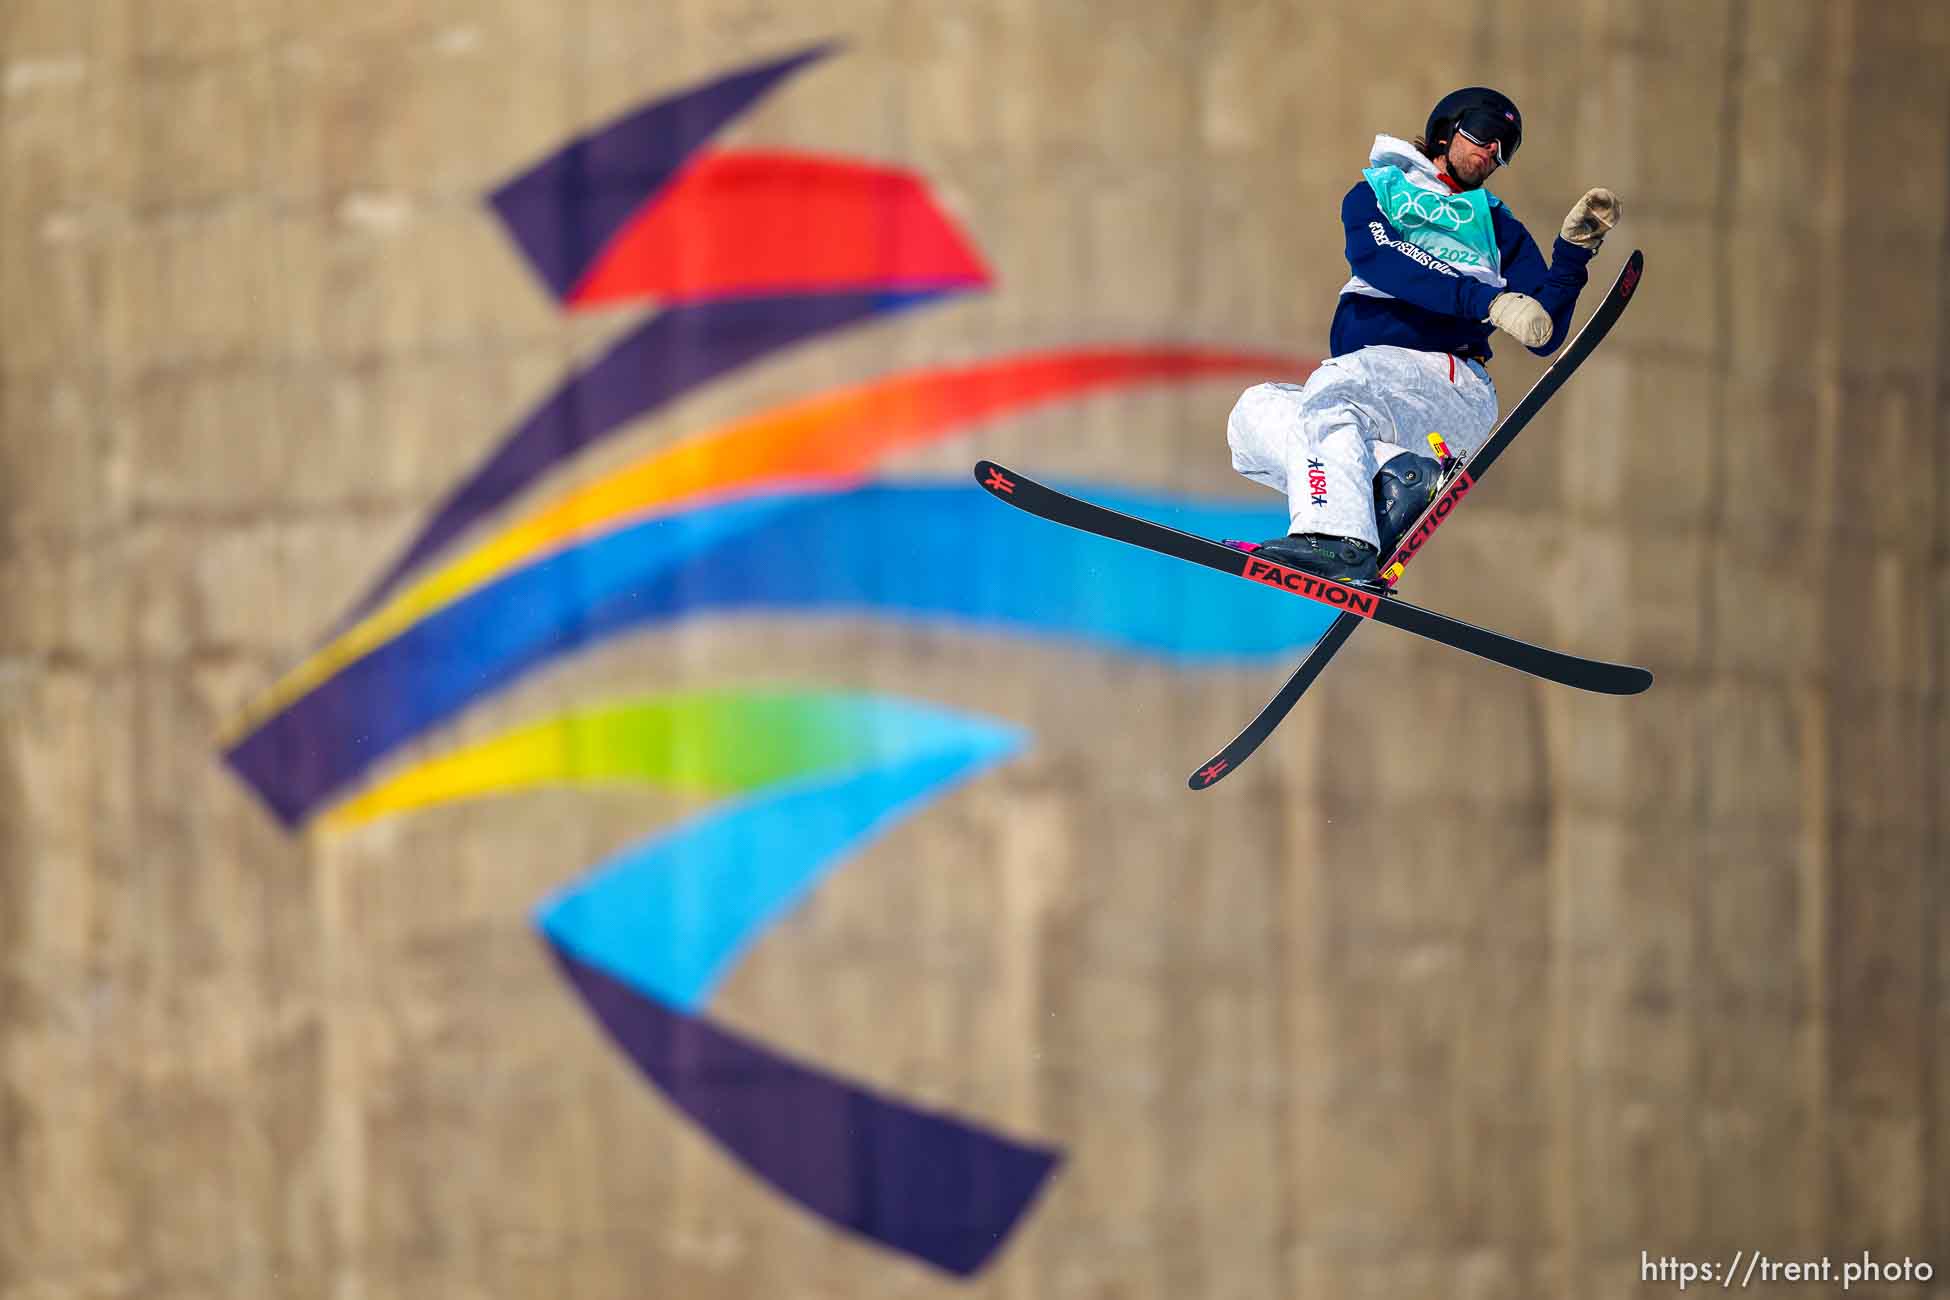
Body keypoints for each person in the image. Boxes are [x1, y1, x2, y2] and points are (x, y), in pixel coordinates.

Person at [1226, 87, 1620, 585]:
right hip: (1379, 387)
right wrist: (1485, 300)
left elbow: (1543, 331)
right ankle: (1397, 479)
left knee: (1333, 393)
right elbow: (1383, 258)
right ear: (1445, 130)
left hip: (1446, 383)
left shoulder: (1497, 226)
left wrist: (1572, 256)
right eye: (1484, 134)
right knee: (1251, 415)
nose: (1493, 153)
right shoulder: (1379, 191)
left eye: (1506, 148)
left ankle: (1340, 539)